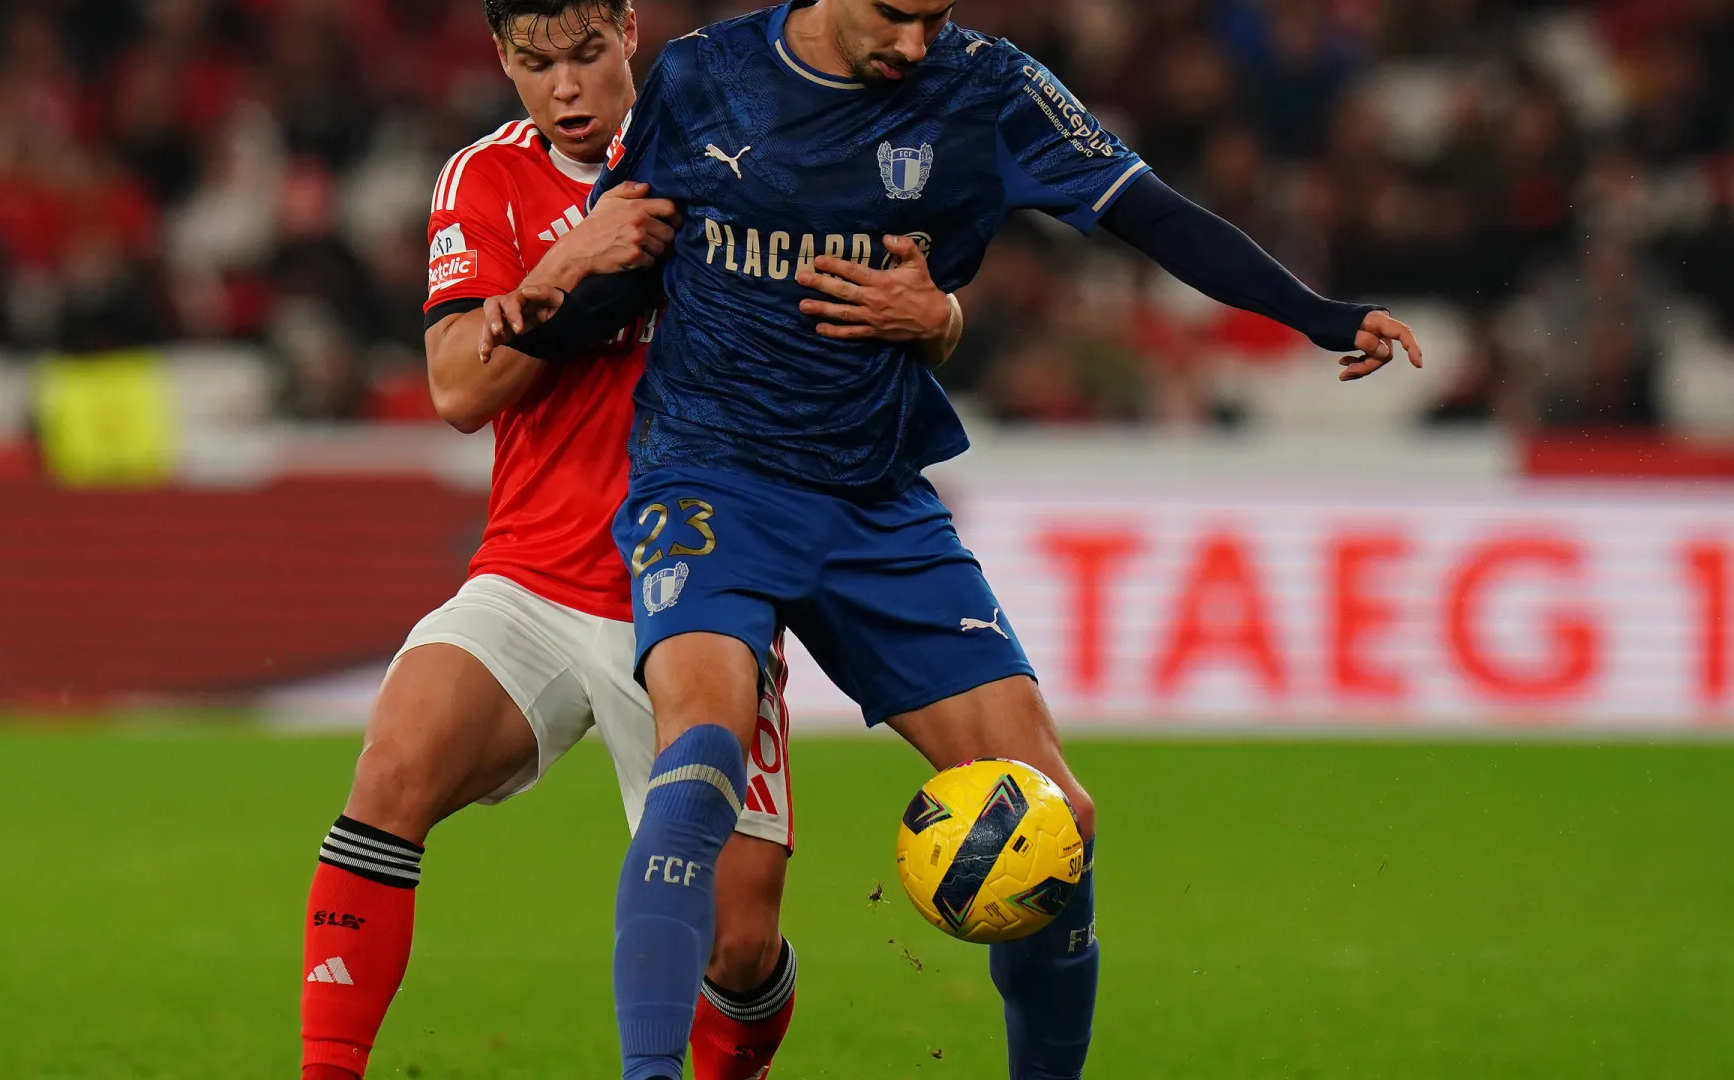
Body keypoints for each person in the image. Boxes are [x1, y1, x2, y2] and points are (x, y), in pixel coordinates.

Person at [482, 1, 1423, 1078]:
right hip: (711, 479)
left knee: (1058, 820)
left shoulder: (989, 87)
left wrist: (1319, 314)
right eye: (897, 16)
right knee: (700, 754)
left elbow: (1151, 214)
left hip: (875, 498)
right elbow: (627, 262)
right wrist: (531, 306)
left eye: (934, 16)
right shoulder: (704, 76)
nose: (916, 44)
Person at [296, 2, 965, 1078]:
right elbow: (459, 387)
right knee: (390, 772)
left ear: (628, 33)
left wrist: (938, 321)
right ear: (501, 59)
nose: (564, 88)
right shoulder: (485, 178)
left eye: (585, 55)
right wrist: (578, 255)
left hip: (703, 596)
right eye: (534, 64)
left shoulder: (729, 150)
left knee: (738, 948)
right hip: (531, 578)